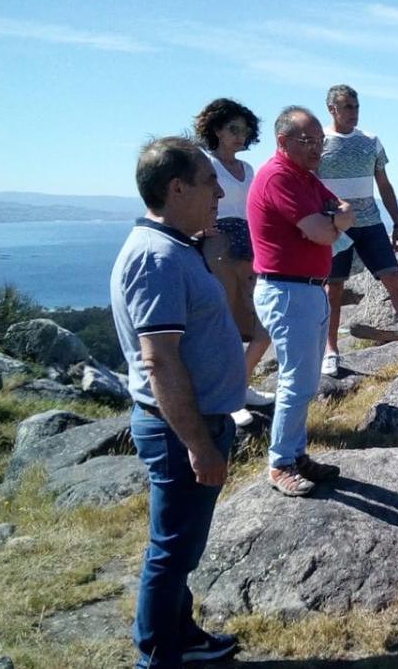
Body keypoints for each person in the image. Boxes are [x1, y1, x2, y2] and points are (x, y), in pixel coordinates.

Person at [111, 136, 243, 667]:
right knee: (171, 551)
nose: (218, 193)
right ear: (177, 187)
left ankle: (181, 636)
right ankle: (157, 657)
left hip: (195, 424)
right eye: (210, 182)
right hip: (180, 431)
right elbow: (159, 360)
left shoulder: (176, 248)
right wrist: (198, 445)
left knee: (181, 546)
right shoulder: (156, 257)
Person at [248, 105, 355, 497]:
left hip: (309, 288)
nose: (317, 150)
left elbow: (346, 213)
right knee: (295, 381)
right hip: (286, 289)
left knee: (307, 380)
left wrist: (333, 220)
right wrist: (332, 223)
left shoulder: (305, 178)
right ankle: (280, 464)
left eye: (320, 142)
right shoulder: (278, 177)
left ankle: (296, 453)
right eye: (308, 141)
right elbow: (324, 231)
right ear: (283, 141)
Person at [317, 84, 398, 374]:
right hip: (335, 225)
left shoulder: (370, 141)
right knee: (333, 289)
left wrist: (396, 223)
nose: (353, 113)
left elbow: (384, 184)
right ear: (332, 109)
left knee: (394, 280)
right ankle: (330, 351)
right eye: (347, 107)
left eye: (356, 107)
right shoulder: (319, 142)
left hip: (371, 223)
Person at [193, 98, 274, 427]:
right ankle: (226, 399)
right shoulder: (203, 163)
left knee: (262, 326)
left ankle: (238, 388)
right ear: (216, 130)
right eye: (233, 129)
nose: (240, 136)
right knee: (223, 327)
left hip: (249, 247)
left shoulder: (249, 170)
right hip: (217, 246)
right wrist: (198, 228)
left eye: (245, 130)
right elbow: (188, 199)